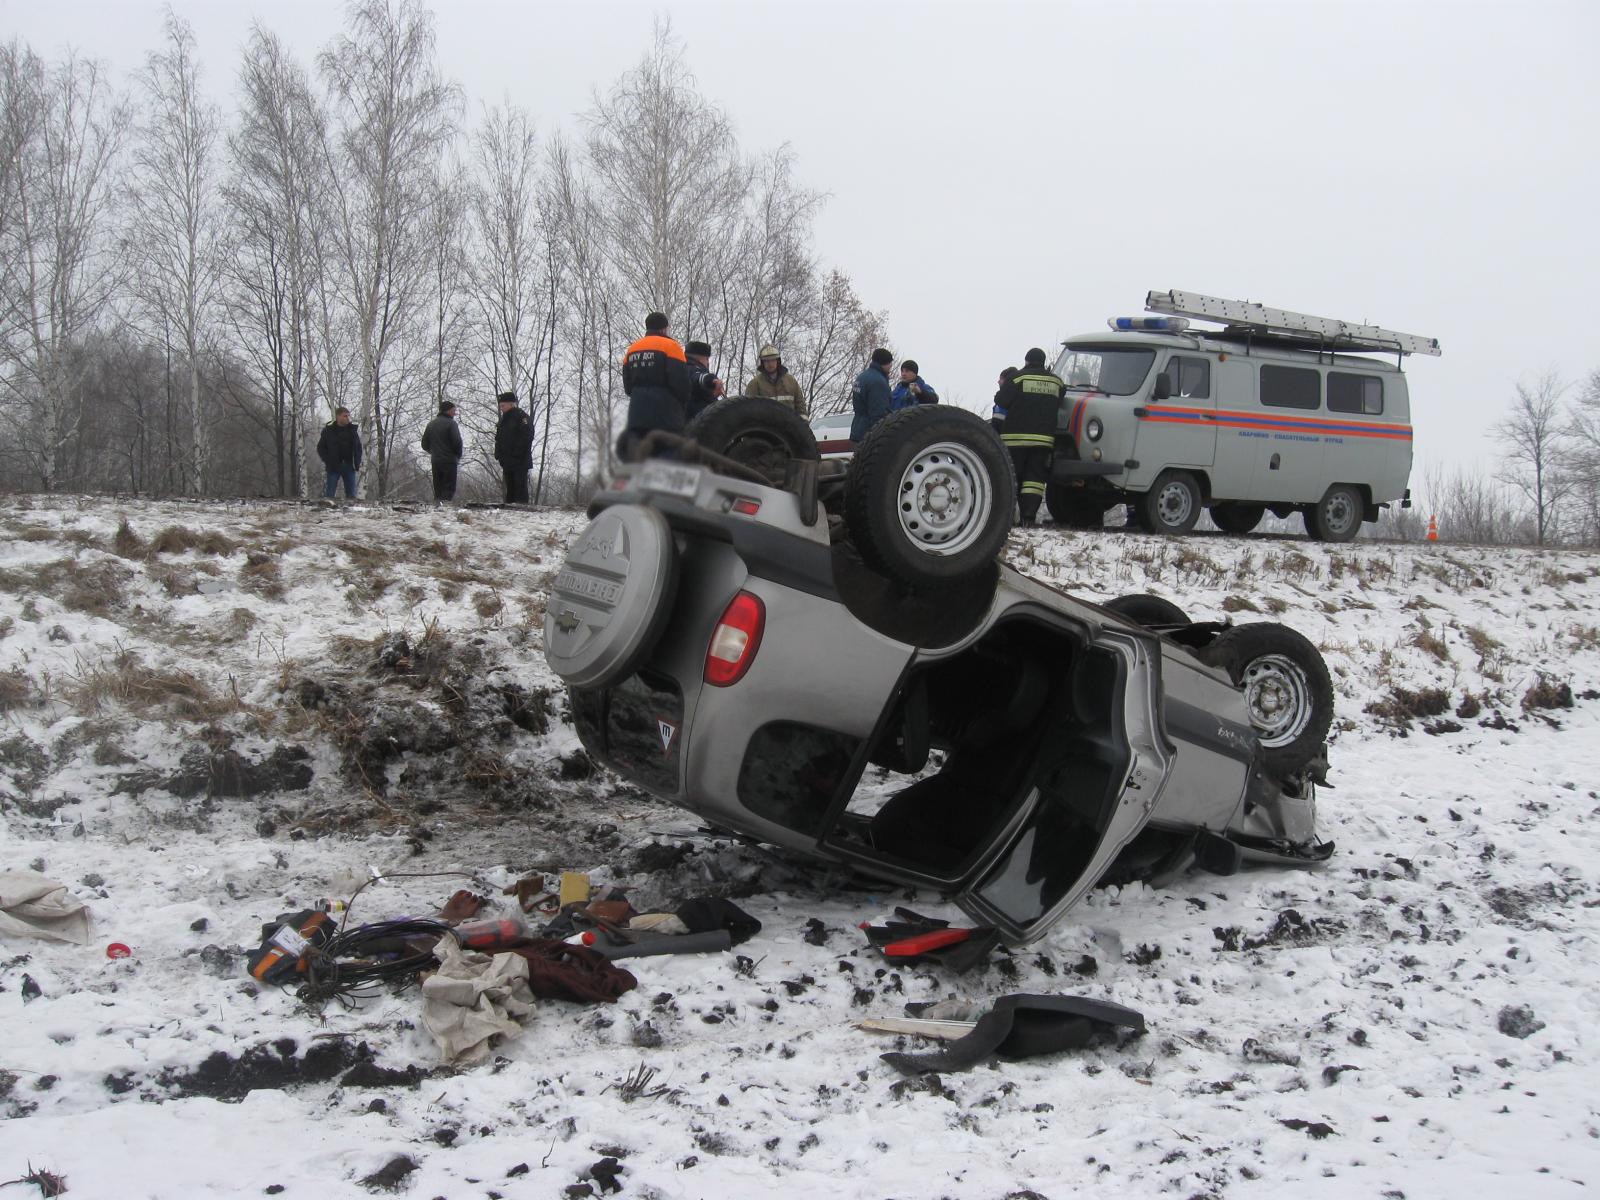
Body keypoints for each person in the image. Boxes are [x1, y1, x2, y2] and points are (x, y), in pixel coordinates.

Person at [997, 348, 1065, 523]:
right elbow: (1062, 396)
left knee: (1014, 477)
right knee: (1034, 481)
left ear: (1026, 361)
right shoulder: (1056, 382)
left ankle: (1007, 517)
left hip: (1015, 439)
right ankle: (1028, 517)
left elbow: (1001, 400)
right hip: (1043, 440)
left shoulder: (1018, 377)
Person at [618, 311, 692, 459]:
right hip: (666, 415)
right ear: (664, 329)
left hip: (637, 416)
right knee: (667, 459)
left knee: (640, 459)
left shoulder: (632, 350)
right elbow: (681, 382)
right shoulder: (671, 346)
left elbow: (628, 387)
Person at [494, 391, 534, 504]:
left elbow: (527, 437)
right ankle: (510, 509)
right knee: (510, 489)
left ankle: (522, 510)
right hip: (506, 460)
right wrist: (498, 454)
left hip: (520, 460)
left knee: (520, 488)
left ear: (511, 404)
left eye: (503, 405)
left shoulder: (522, 417)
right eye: (500, 406)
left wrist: (516, 453)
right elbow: (498, 438)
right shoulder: (503, 420)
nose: (501, 408)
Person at [745, 344, 807, 416]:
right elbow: (749, 410)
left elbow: (800, 406)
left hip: (788, 426)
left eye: (773, 360)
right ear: (762, 363)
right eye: (766, 361)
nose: (770, 364)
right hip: (766, 426)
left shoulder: (791, 382)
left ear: (778, 361)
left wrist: (803, 423)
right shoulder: (755, 384)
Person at [849, 348, 895, 443]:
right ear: (884, 362)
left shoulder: (861, 377)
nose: (891, 366)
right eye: (890, 362)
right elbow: (879, 413)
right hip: (870, 434)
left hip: (857, 429)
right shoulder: (878, 382)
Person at [421, 400, 463, 503]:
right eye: (453, 410)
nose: (455, 413)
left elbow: (424, 444)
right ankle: (445, 508)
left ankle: (437, 507)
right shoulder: (451, 424)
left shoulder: (431, 424)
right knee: (448, 488)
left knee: (438, 488)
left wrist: (434, 452)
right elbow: (457, 441)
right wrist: (457, 455)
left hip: (435, 460)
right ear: (447, 410)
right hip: (449, 460)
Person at [317, 406, 362, 499]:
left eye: (348, 416)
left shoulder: (352, 431)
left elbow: (358, 447)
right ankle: (328, 511)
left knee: (351, 495)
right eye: (345, 416)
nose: (347, 418)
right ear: (338, 417)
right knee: (330, 494)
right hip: (334, 466)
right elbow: (321, 448)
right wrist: (328, 461)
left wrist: (357, 461)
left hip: (349, 465)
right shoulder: (328, 431)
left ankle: (351, 511)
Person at [683, 340, 725, 422]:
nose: (707, 362)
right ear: (702, 358)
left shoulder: (679, 367)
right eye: (707, 359)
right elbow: (698, 378)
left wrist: (713, 395)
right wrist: (712, 380)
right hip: (696, 424)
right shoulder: (691, 369)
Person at [991, 366, 1018, 433]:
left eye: (1001, 379)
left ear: (1008, 380)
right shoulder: (1021, 396)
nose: (998, 381)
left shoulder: (1002, 401)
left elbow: (996, 427)